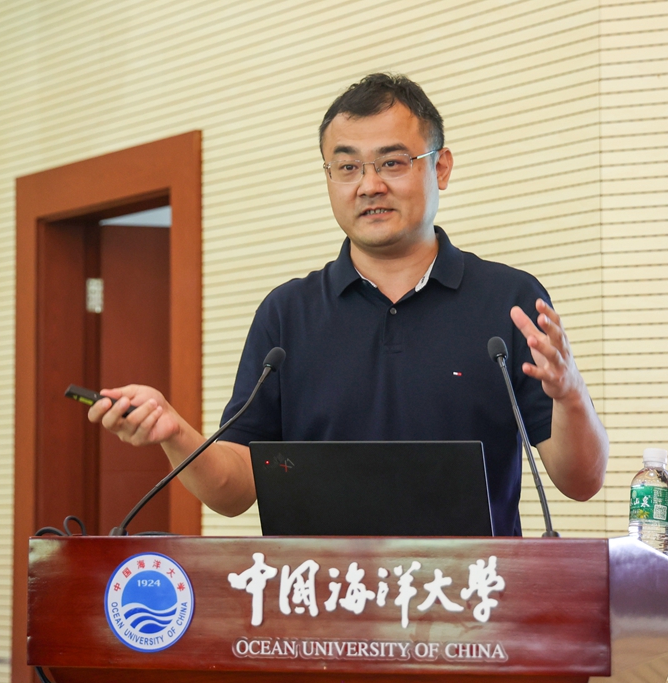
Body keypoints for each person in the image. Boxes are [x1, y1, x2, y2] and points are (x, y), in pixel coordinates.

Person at [89, 73, 608, 535]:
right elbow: (235, 491)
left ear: (441, 168)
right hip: (319, 599)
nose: (369, 185)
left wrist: (571, 395)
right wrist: (177, 434)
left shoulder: (508, 301)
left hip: (473, 602)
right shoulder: (287, 314)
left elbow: (580, 482)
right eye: (347, 167)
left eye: (392, 162)